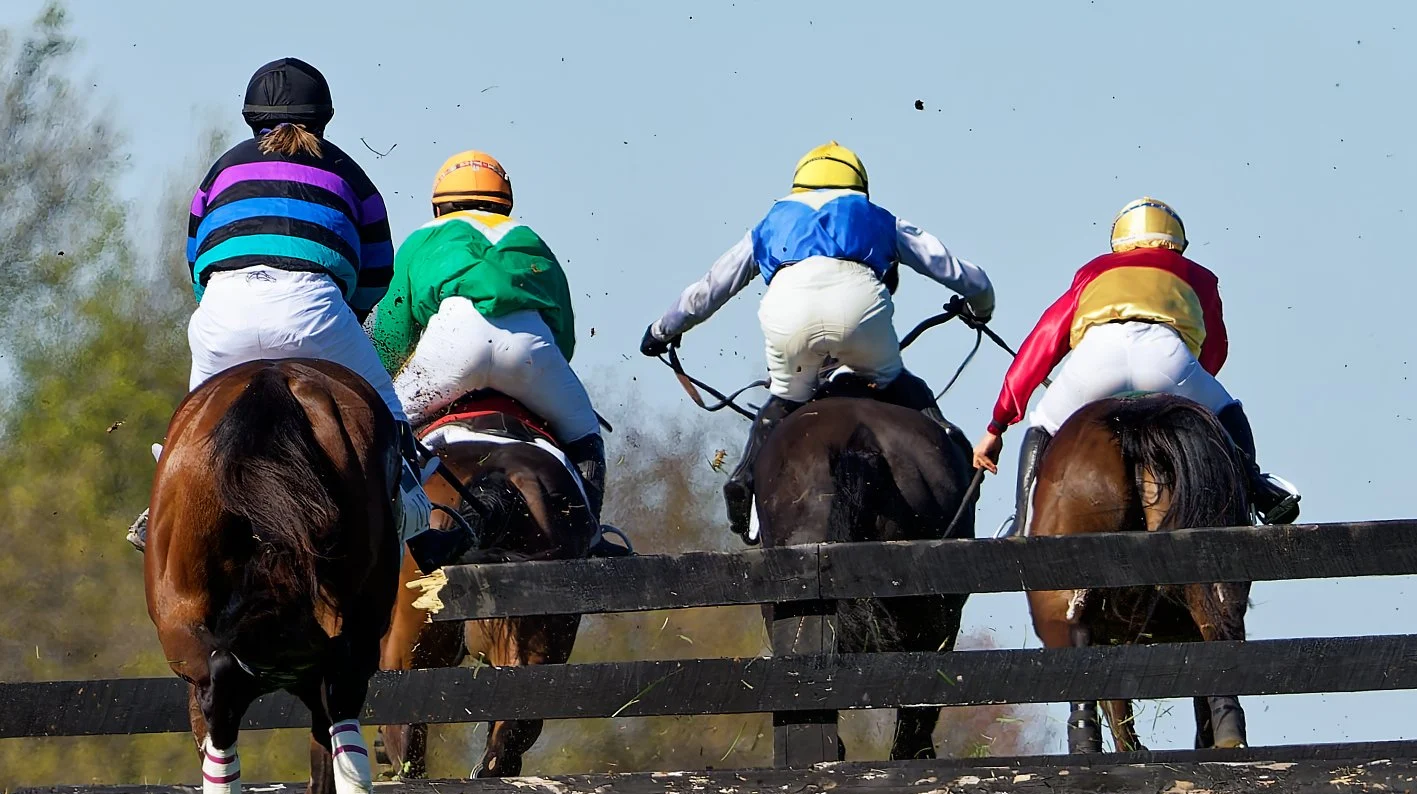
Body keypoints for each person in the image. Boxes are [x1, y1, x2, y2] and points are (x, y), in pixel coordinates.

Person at [126, 57, 469, 572]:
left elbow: (196, 258)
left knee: (191, 424)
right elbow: (378, 271)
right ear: (324, 118)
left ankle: (163, 505)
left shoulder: (221, 168)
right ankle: (421, 529)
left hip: (224, 310)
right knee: (390, 416)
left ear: (250, 117)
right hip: (315, 312)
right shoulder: (349, 171)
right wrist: (344, 318)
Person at [639, 142, 995, 541]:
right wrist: (981, 308)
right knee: (902, 385)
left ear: (799, 187)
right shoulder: (877, 217)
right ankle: (953, 447)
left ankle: (743, 476)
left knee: (784, 399)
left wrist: (661, 332)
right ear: (858, 185)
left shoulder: (770, 223)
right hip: (860, 314)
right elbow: (963, 275)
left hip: (789, 318)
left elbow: (708, 291)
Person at [972, 196, 1300, 534]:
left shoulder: (1092, 271)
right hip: (1166, 361)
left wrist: (997, 425)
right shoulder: (1198, 275)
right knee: (1229, 408)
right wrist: (1186, 398)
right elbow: (1214, 350)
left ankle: (1021, 524)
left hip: (1094, 363)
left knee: (1042, 423)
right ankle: (1259, 491)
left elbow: (1043, 342)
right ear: (1177, 242)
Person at [368, 150, 620, 554]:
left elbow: (393, 332)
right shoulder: (530, 239)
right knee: (585, 433)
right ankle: (592, 535)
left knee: (381, 427)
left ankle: (367, 539)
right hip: (528, 354)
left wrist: (388, 379)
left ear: (439, 205)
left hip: (450, 348)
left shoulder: (422, 238)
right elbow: (564, 336)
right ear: (506, 203)